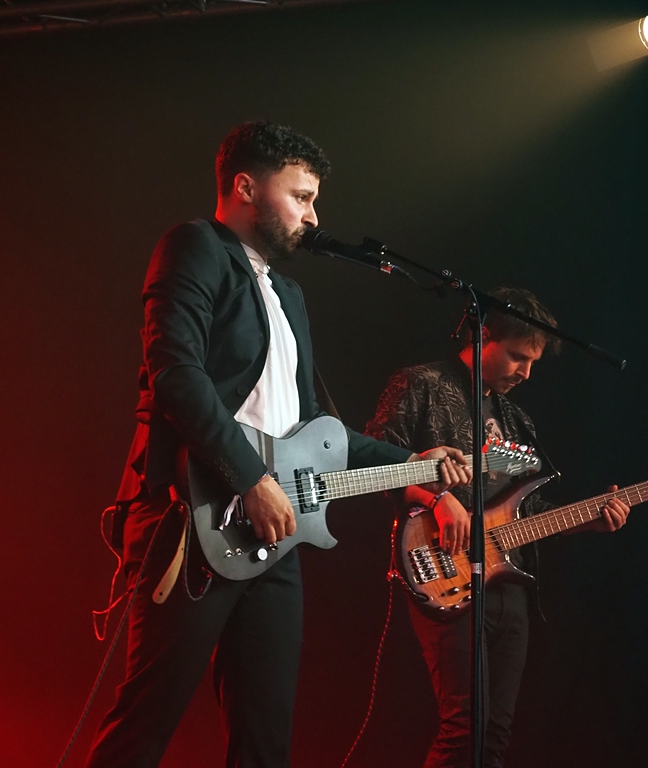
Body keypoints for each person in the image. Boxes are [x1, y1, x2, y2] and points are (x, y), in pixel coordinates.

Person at [84, 122, 472, 768]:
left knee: (265, 741)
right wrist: (248, 479)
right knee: (144, 724)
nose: (313, 217)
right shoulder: (195, 247)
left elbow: (317, 432)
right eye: (301, 196)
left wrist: (413, 463)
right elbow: (175, 374)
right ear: (245, 187)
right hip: (192, 516)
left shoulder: (289, 296)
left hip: (274, 539)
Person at [365, 287, 631, 768]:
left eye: (533, 363)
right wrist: (437, 497)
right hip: (443, 569)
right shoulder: (420, 384)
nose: (525, 373)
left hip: (509, 584)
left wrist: (588, 520)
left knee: (494, 737)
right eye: (516, 357)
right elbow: (370, 464)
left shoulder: (517, 420)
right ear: (482, 334)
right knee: (465, 729)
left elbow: (524, 510)